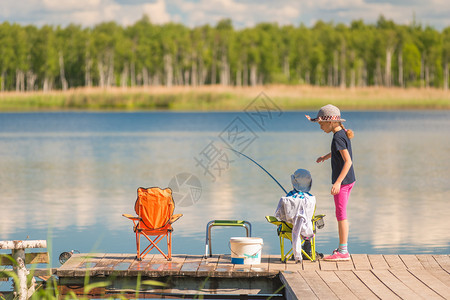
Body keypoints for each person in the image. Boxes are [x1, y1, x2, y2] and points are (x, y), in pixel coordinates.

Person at [306, 104, 355, 261]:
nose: (320, 127)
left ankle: (343, 251)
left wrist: (338, 183)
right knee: (341, 214)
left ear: (331, 122)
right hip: (349, 180)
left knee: (341, 215)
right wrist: (325, 157)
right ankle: (342, 248)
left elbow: (348, 162)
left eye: (321, 124)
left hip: (344, 181)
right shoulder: (341, 134)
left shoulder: (338, 137)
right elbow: (338, 152)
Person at [275, 169, 316, 262]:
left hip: (288, 229)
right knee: (311, 221)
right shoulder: (311, 198)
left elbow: (280, 214)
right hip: (307, 229)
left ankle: (295, 252)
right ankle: (307, 250)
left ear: (293, 183)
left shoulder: (287, 197)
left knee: (293, 222)